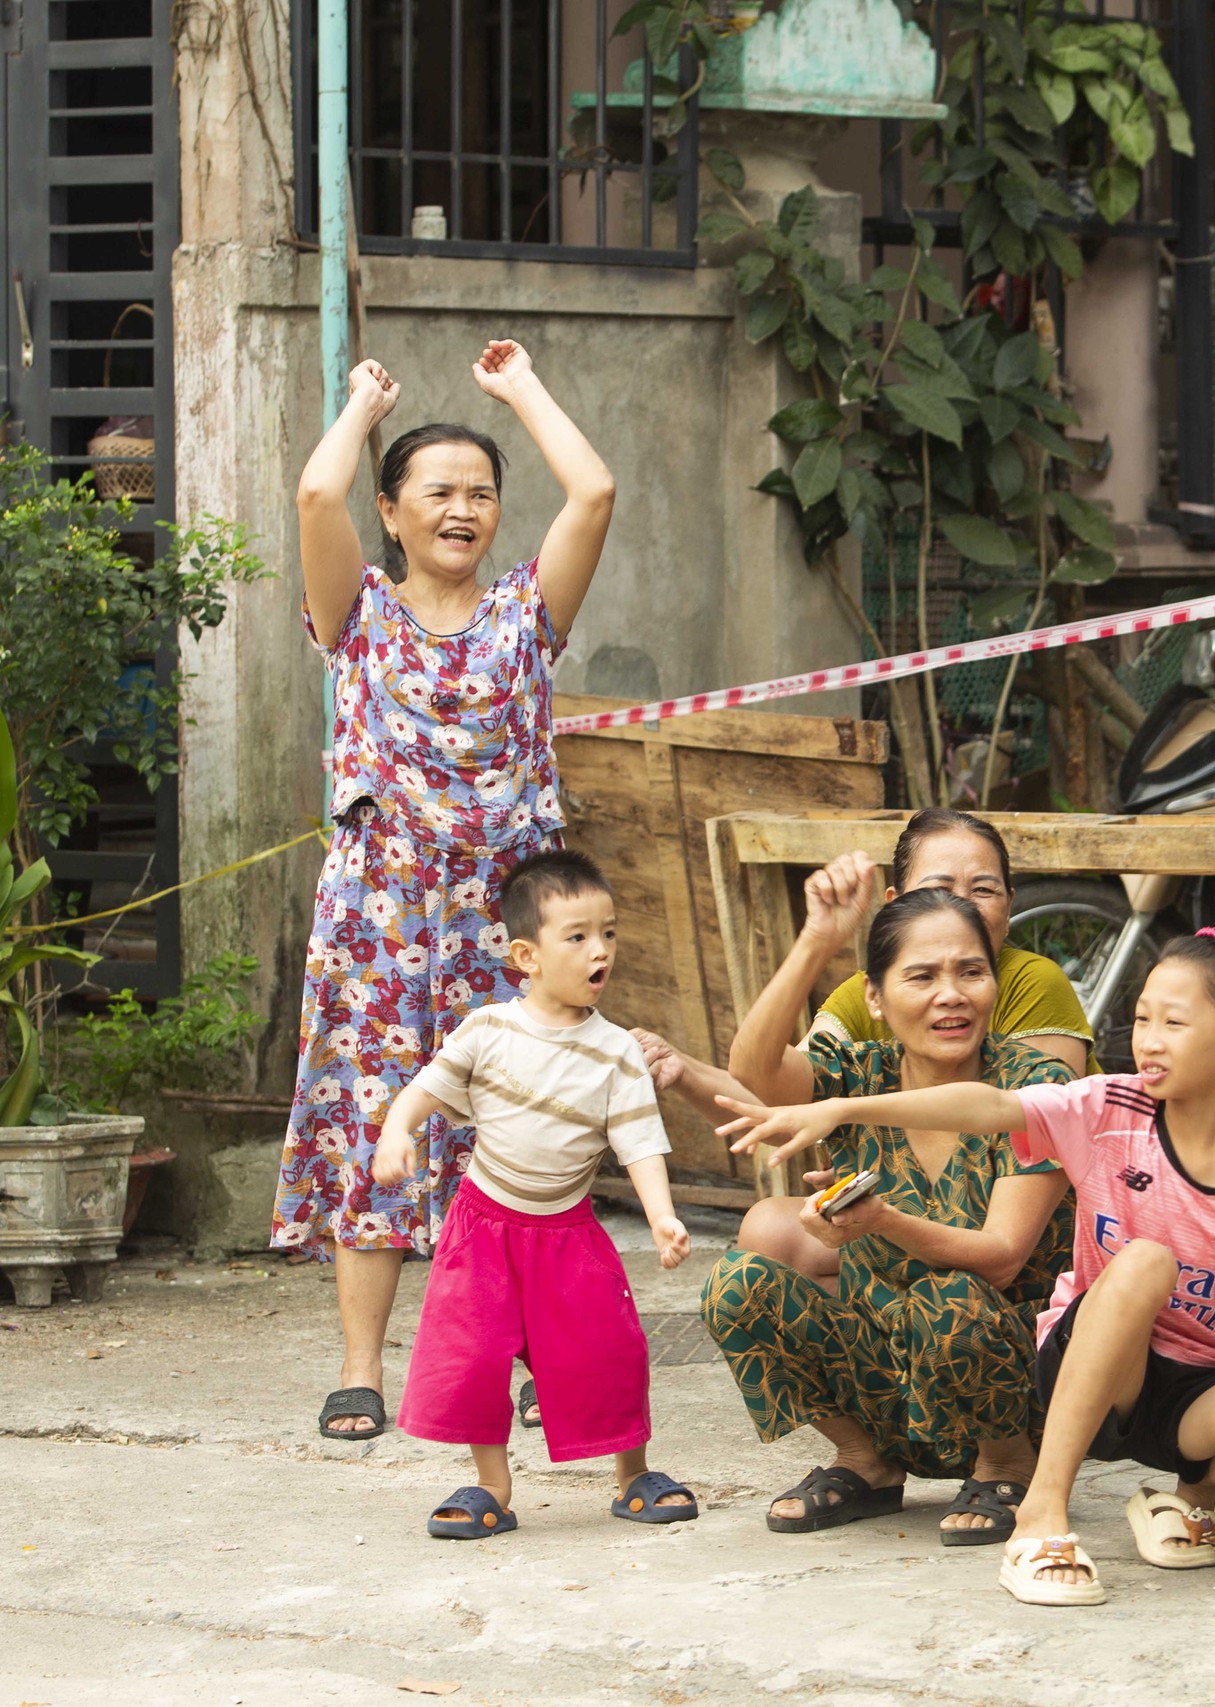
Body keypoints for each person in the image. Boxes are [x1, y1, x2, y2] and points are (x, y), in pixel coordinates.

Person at [715, 928, 1215, 1607]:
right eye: (1144, 1018)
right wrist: (841, 1107)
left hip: (1197, 1389)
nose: (1149, 1039)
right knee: (1145, 1261)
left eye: (1174, 1022)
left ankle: (1187, 1503)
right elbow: (987, 1105)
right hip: (1090, 1360)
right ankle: (1041, 1515)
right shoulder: (1107, 1106)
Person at [274, 342, 616, 1444]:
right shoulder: (358, 615)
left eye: (480, 493)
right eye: (438, 492)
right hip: (379, 918)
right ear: (394, 511)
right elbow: (317, 490)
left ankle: (515, 1356)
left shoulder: (528, 616)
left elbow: (595, 490)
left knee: (516, 1129)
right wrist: (367, 403)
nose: (462, 509)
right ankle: (363, 1369)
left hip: (507, 924)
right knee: (373, 1120)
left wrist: (518, 392)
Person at [694, 889, 1077, 1542]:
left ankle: (1008, 1465)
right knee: (738, 1284)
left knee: (950, 1295)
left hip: (1010, 1380)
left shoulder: (1034, 1086)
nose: (951, 994)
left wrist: (881, 1219)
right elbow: (753, 1071)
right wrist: (816, 939)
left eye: (971, 971)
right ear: (874, 996)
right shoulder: (856, 1074)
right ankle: (865, 1461)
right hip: (890, 1377)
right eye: (922, 976)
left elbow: (1004, 1251)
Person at [371, 850, 698, 1537]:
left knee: (611, 1351)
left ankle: (633, 1473)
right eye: (576, 936)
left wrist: (663, 1216)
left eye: (608, 932)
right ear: (528, 954)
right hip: (483, 1230)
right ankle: (491, 1484)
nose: (598, 949)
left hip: (568, 1234)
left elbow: (640, 1142)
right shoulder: (489, 1030)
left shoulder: (616, 1053)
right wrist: (396, 1131)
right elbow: (424, 1091)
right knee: (474, 1357)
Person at [639, 808, 1091, 1285]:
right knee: (756, 1254)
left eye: (984, 890)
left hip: (1010, 1237)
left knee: (953, 1304)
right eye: (938, 890)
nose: (962, 906)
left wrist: (847, 1120)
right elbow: (773, 1095)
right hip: (900, 1216)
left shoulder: (1033, 983)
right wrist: (817, 940)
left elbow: (1024, 1119)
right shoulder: (866, 996)